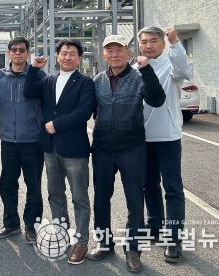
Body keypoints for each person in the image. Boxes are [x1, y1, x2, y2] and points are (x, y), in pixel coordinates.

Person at [88, 34, 165, 273]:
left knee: (135, 200)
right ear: (104, 55)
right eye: (110, 50)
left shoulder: (139, 77)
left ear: (128, 52)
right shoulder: (97, 80)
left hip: (132, 148)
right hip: (102, 148)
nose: (115, 54)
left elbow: (157, 100)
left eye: (119, 49)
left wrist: (147, 70)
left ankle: (133, 250)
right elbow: (92, 110)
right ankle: (104, 243)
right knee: (101, 198)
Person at [23, 39, 96, 264]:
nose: (67, 57)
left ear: (79, 58)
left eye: (72, 53)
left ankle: (81, 242)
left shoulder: (85, 82)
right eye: (64, 53)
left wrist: (57, 124)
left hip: (74, 148)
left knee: (79, 197)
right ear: (57, 56)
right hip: (50, 148)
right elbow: (28, 91)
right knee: (55, 194)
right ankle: (62, 233)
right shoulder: (48, 80)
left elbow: (84, 112)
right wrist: (34, 68)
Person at [0, 37, 45, 245]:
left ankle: (32, 225)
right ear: (8, 53)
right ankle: (11, 223)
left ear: (27, 53)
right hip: (8, 140)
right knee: (7, 184)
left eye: (21, 50)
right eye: (14, 50)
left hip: (32, 141)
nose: (18, 53)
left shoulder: (37, 75)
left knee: (33, 185)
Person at [137, 26, 191, 263]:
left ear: (162, 43)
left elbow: (184, 69)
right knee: (149, 185)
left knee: (173, 189)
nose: (148, 46)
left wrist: (175, 43)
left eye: (153, 41)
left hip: (168, 137)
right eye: (144, 42)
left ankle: (174, 239)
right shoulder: (136, 68)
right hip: (142, 138)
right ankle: (155, 225)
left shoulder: (171, 64)